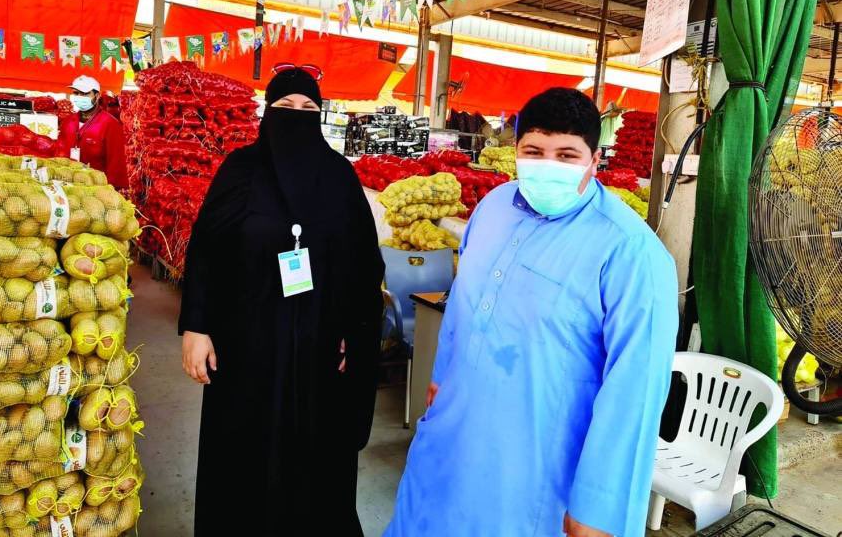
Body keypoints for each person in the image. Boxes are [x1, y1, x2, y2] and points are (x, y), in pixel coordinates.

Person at [385, 88, 678, 537]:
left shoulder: (632, 253)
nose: (548, 165)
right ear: (516, 151)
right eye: (534, 152)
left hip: (534, 465)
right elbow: (464, 302)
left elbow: (635, 391)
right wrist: (440, 376)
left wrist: (599, 508)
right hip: (452, 435)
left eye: (567, 155)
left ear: (594, 160)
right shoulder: (492, 207)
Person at [179, 67, 385, 537]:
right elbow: (207, 249)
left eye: (309, 108)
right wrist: (196, 326)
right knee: (244, 452)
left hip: (319, 347)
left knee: (315, 459)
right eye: (285, 106)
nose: (297, 115)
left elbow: (362, 262)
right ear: (267, 113)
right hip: (245, 342)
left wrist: (355, 332)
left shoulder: (339, 176)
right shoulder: (241, 169)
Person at [62, 75, 128, 189]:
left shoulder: (110, 124)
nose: (79, 97)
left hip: (96, 188)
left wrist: (112, 190)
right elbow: (60, 154)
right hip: (68, 185)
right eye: (76, 93)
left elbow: (116, 164)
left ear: (97, 96)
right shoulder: (68, 122)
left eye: (85, 94)